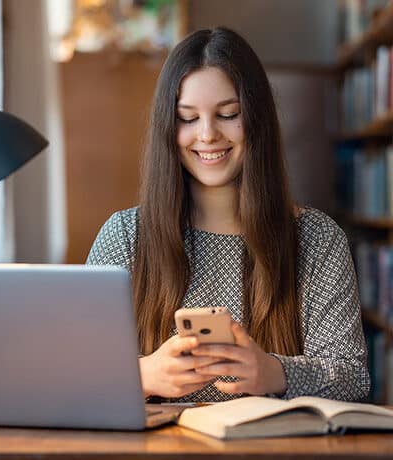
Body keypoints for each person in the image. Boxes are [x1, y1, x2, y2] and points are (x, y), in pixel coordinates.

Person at [86, 27, 370, 403]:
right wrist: (142, 375)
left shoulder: (316, 239)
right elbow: (76, 372)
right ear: (167, 128)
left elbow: (354, 379)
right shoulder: (125, 235)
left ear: (257, 119)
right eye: (187, 118)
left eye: (228, 114)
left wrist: (274, 372)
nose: (207, 135)